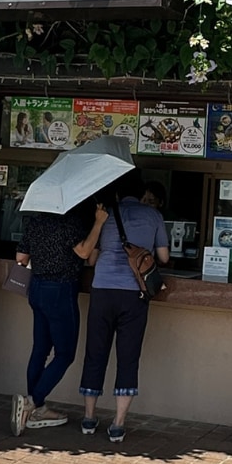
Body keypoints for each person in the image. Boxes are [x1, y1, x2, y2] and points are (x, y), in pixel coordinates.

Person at [79, 171, 168, 442]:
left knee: (96, 353)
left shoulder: (104, 216)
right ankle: (118, 424)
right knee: (128, 358)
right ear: (141, 192)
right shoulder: (153, 216)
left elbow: (91, 259)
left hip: (103, 290)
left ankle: (89, 418)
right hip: (134, 294)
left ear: (117, 193)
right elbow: (162, 256)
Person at [10, 199, 108, 436]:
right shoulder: (70, 223)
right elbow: (85, 253)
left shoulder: (35, 223)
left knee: (40, 350)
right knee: (64, 354)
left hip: (37, 288)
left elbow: (21, 258)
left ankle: (37, 409)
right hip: (61, 290)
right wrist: (98, 223)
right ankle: (33, 402)